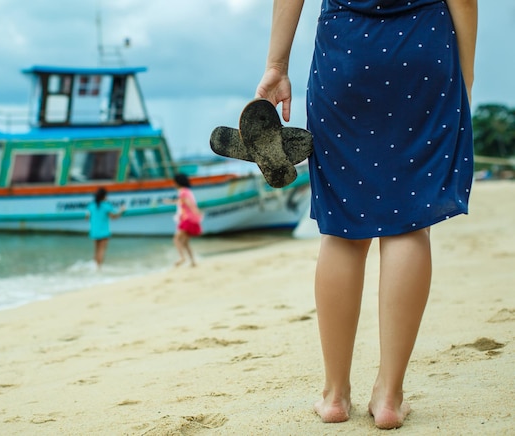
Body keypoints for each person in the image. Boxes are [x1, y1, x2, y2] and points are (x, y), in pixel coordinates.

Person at [254, 0, 477, 429]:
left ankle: (335, 395)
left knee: (341, 230)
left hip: (346, 50)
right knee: (409, 225)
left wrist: (276, 64)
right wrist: (464, 76)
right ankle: (390, 396)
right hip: (424, 48)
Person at [86, 187, 125, 270]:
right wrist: (121, 210)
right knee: (101, 251)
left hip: (94, 231)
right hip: (103, 231)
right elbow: (113, 217)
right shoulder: (106, 205)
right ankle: (99, 269)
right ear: (104, 196)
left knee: (96, 251)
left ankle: (94, 267)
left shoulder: (91, 205)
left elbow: (87, 217)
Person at [171, 173, 202, 267]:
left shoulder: (182, 192)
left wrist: (196, 212)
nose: (174, 184)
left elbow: (188, 203)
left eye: (175, 182)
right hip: (191, 219)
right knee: (185, 242)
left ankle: (182, 257)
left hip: (187, 220)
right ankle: (193, 261)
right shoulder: (188, 191)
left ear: (178, 183)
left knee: (176, 239)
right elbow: (185, 202)